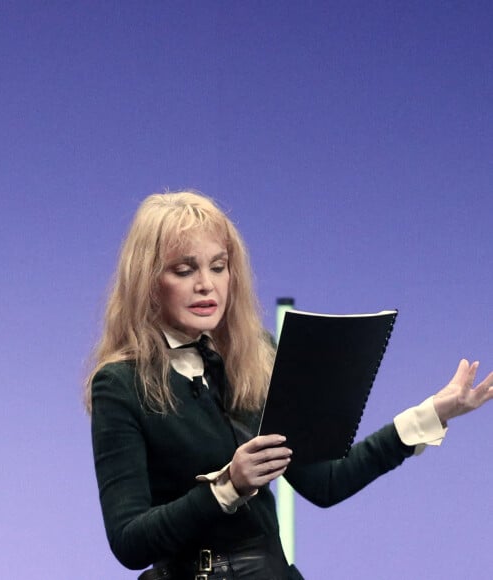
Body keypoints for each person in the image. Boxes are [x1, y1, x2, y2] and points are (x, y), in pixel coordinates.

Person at [86, 190, 493, 580]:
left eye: (218, 266)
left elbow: (326, 482)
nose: (206, 285)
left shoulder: (254, 355)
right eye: (184, 269)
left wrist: (431, 414)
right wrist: (229, 486)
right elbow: (129, 541)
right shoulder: (120, 384)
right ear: (148, 281)